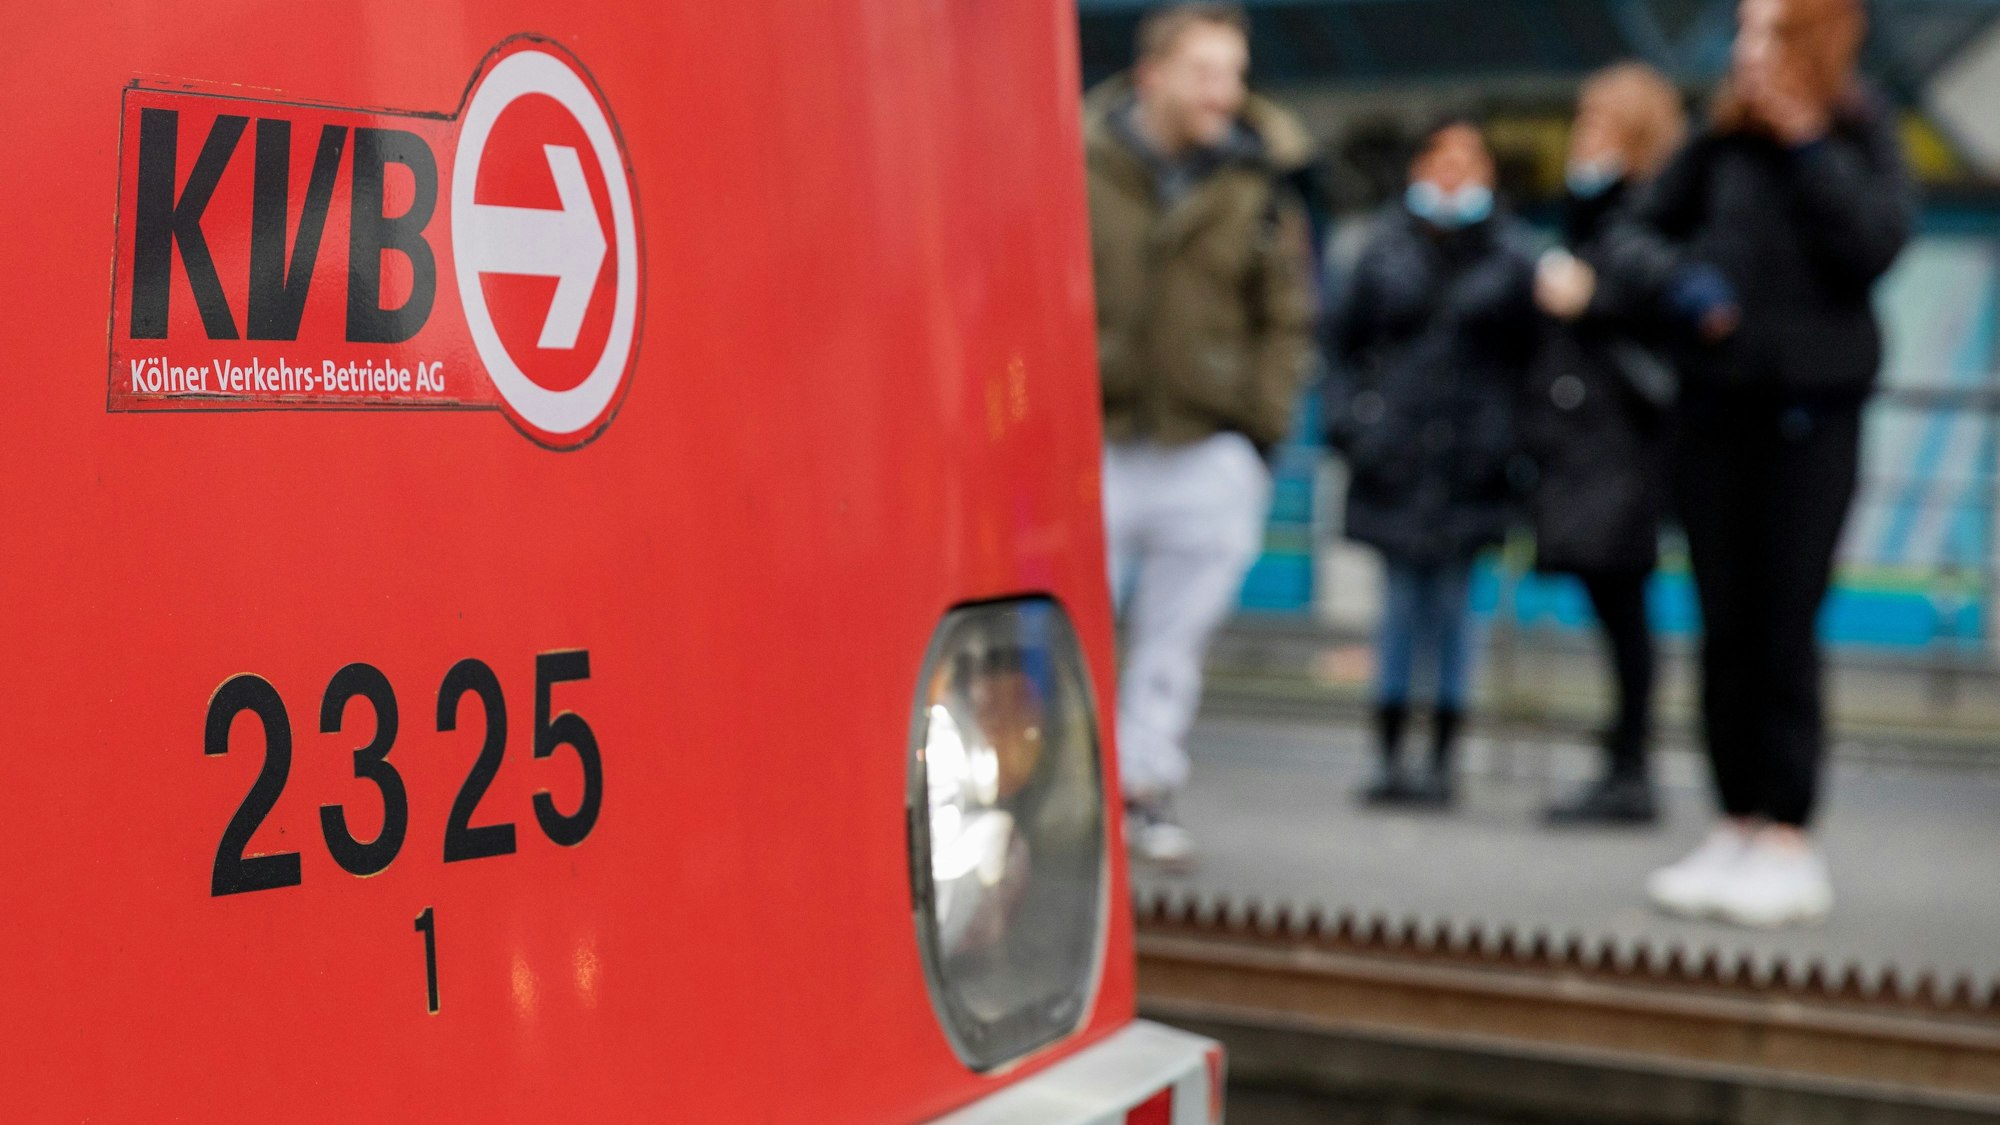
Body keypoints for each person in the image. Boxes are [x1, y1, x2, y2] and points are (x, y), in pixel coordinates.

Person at [1636, 0, 1912, 927]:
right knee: (1722, 624)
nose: (1748, 50)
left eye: (1769, 30)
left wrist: (1808, 147)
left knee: (1786, 621)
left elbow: (1875, 244)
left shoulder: (1862, 135)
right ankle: (1734, 816)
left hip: (1812, 420)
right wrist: (1683, 285)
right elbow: (1634, 236)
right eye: (1743, 31)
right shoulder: (1716, 147)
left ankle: (1791, 831)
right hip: (1715, 414)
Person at [1086, 3, 1319, 864]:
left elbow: (1286, 313)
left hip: (1206, 442)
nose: (1226, 92)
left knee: (1173, 640)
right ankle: (1073, 792)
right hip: (1097, 438)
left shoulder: (1259, 183)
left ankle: (1143, 785)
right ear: (1153, 76)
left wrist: (1260, 432)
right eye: (1206, 71)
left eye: (1234, 72)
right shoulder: (1078, 160)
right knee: (1073, 626)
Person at [1326, 119, 1538, 808]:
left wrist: (1513, 445)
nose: (1451, 173)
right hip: (1397, 457)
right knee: (1399, 609)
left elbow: (1531, 361)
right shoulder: (1380, 248)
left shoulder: (1512, 256)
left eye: (1466, 159)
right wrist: (1354, 428)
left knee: (1452, 611)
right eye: (1440, 157)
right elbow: (1340, 347)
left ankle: (1443, 758)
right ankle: (1389, 755)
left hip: (1472, 462)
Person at [1526, 63, 1697, 825]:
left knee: (1624, 601)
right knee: (1612, 600)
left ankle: (1630, 768)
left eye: (1600, 125)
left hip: (1627, 443)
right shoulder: (1589, 212)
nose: (1583, 139)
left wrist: (1590, 303)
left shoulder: (1646, 218)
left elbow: (1660, 322)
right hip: (1589, 438)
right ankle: (1623, 763)